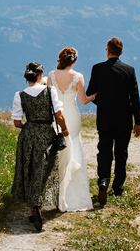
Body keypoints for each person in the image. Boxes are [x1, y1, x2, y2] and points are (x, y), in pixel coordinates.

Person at [11, 61, 69, 232]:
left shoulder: (19, 95)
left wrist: (29, 127)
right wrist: (64, 130)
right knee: (44, 170)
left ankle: (31, 209)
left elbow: (16, 122)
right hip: (46, 134)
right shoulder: (50, 91)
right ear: (40, 76)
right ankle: (38, 207)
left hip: (28, 134)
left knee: (29, 169)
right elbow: (58, 115)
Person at [85, 37, 140, 204]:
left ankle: (103, 181)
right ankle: (118, 187)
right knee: (121, 152)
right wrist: (138, 121)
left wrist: (101, 103)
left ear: (107, 51)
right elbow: (135, 98)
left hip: (105, 117)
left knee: (104, 150)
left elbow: (90, 93)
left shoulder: (97, 69)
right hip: (124, 118)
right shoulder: (129, 70)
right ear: (121, 52)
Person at [46, 47, 96, 211]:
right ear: (74, 60)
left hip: (56, 115)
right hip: (72, 116)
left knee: (57, 149)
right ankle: (75, 198)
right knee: (74, 147)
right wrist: (94, 96)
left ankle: (54, 195)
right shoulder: (78, 77)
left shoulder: (52, 75)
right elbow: (82, 101)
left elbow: (49, 100)